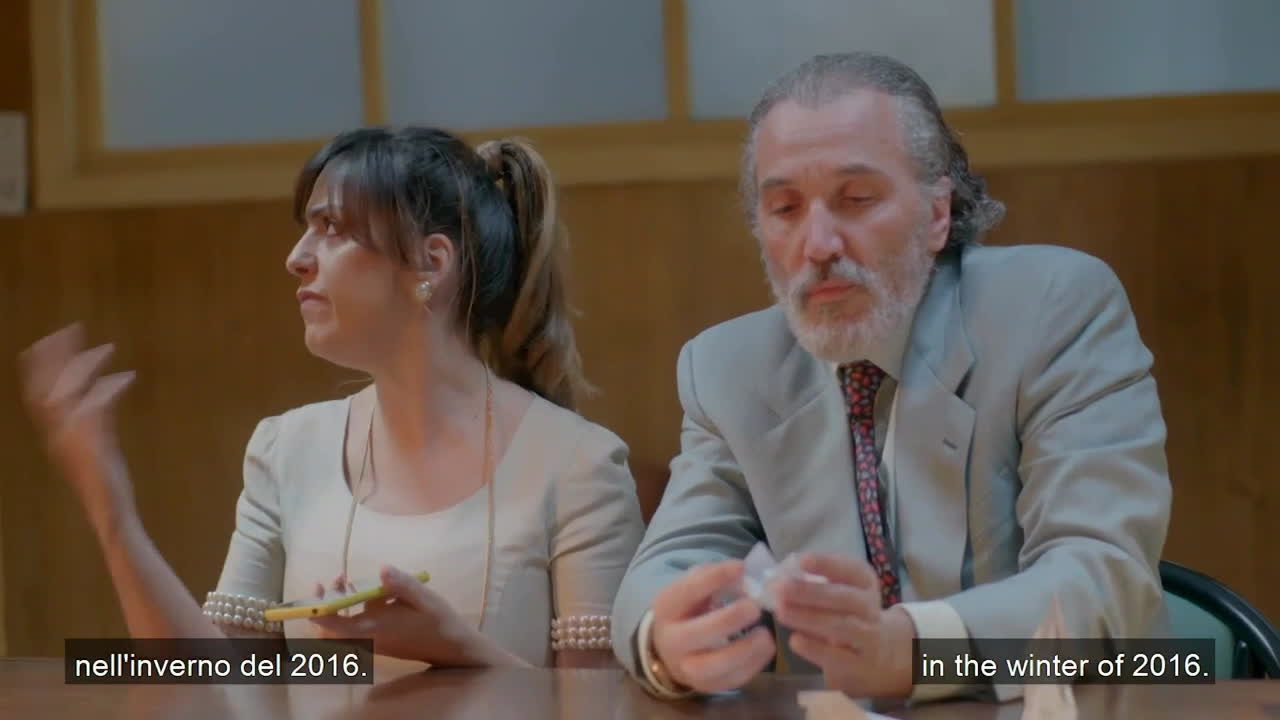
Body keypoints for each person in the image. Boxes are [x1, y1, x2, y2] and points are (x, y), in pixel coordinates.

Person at [611, 52, 1171, 703]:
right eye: (785, 208)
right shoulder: (728, 368)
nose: (818, 245)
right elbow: (663, 570)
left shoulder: (1052, 308)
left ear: (937, 213)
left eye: (856, 200)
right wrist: (666, 642)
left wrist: (914, 650)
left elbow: (1103, 580)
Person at [20, 126, 645, 671]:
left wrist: (456, 647)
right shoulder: (285, 448)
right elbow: (210, 683)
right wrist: (111, 508)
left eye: (331, 229)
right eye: (306, 231)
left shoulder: (579, 466)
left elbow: (601, 706)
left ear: (431, 262)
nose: (296, 259)